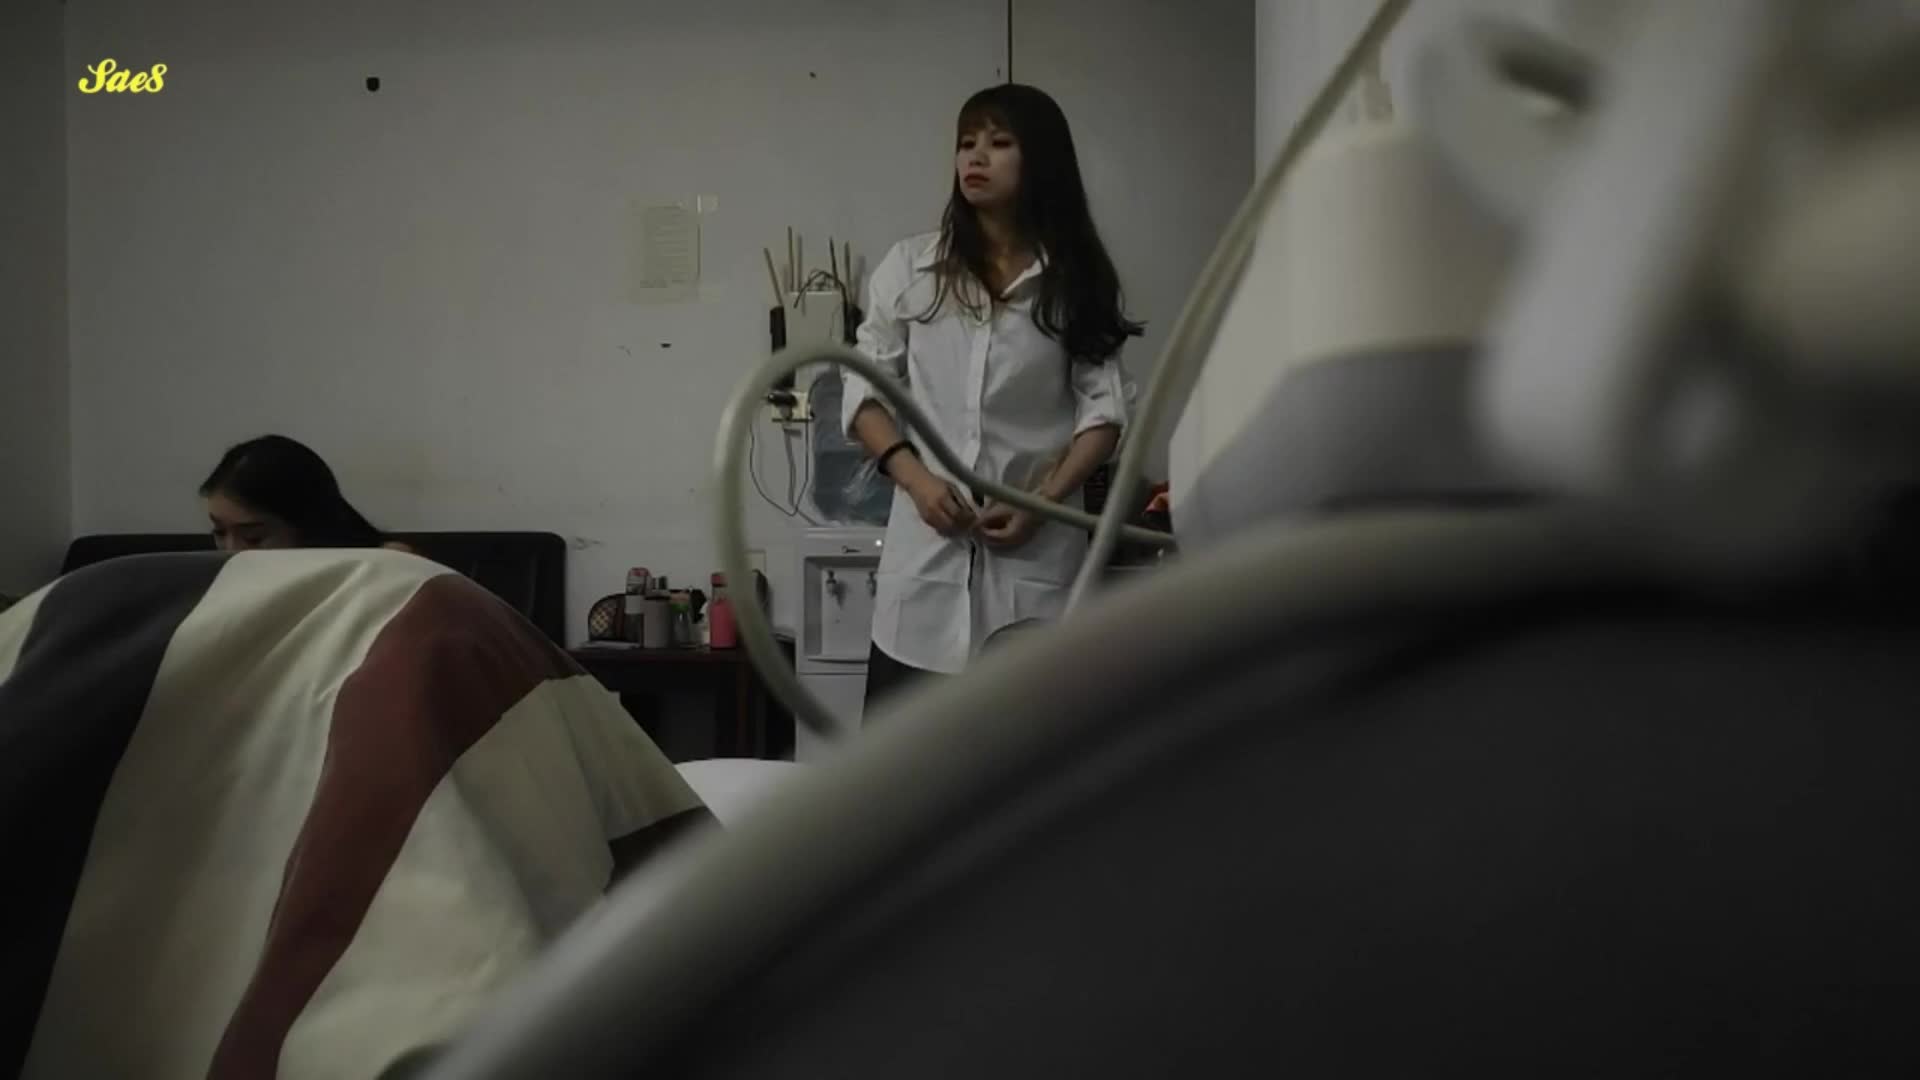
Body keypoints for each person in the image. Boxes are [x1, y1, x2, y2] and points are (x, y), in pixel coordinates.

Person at [842, 83, 1141, 709]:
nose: (975, 157)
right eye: (966, 143)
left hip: (1034, 579)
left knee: (1030, 763)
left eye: (999, 143)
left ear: (1041, 160)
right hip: (922, 582)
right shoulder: (910, 269)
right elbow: (864, 391)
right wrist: (918, 483)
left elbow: (1105, 413)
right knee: (908, 765)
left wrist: (1042, 502)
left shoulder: (1075, 281)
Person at [200, 434, 403, 552]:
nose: (231, 551)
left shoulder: (383, 563)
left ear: (308, 526)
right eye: (219, 532)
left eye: (253, 538)